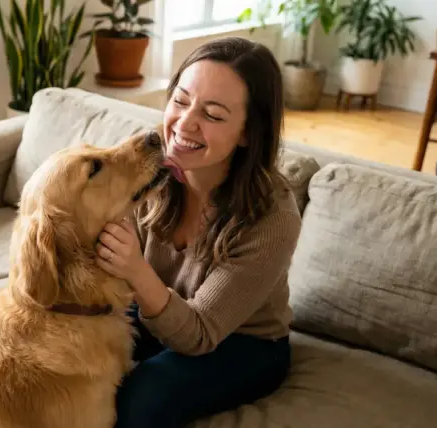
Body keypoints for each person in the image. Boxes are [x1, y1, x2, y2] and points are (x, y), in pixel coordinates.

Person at [94, 36, 302, 428]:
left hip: (242, 341)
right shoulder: (149, 162)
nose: (185, 123)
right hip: (156, 309)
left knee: (141, 398)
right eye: (181, 100)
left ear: (247, 132)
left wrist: (134, 269)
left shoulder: (273, 217)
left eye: (213, 115)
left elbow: (200, 334)